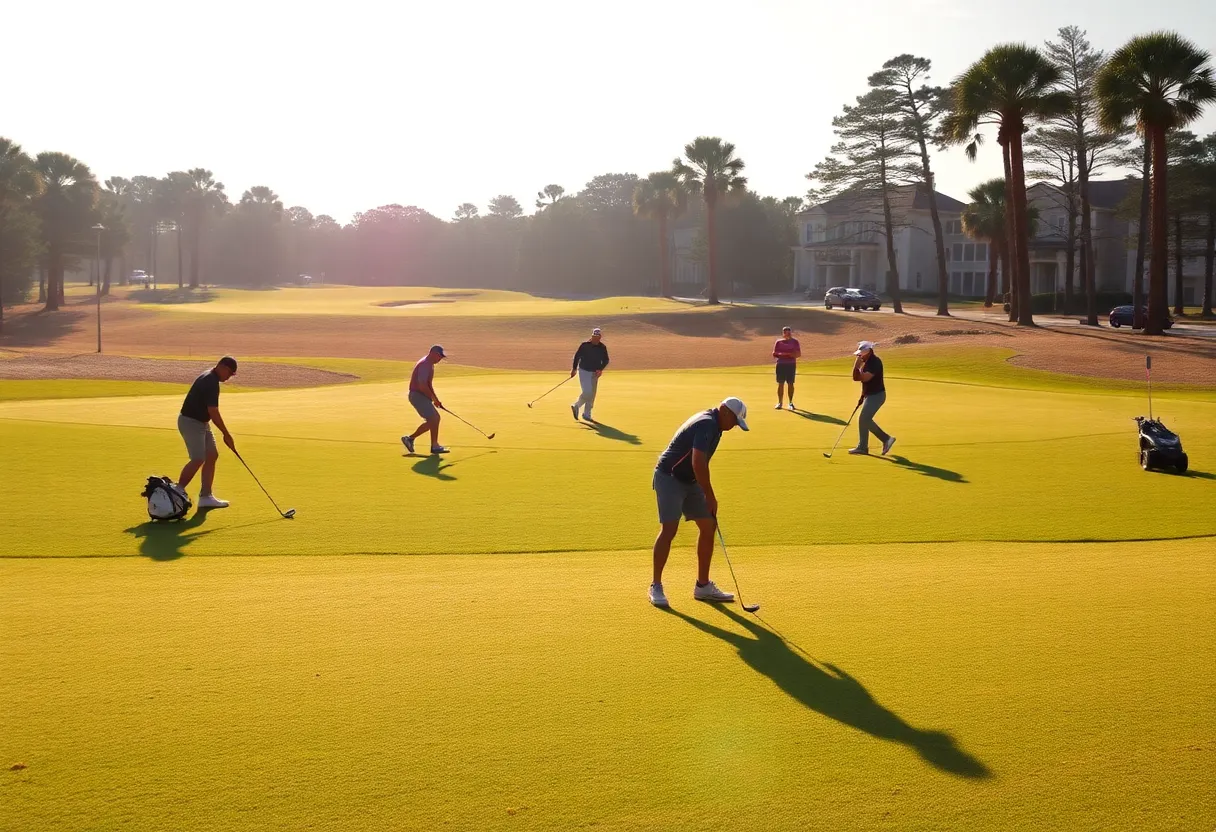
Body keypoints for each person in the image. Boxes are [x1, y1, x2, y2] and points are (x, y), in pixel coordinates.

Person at [649, 397, 749, 608]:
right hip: (669, 476)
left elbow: (698, 465)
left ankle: (702, 586)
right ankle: (656, 585)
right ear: (725, 412)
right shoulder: (707, 423)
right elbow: (698, 462)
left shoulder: (717, 426)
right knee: (669, 529)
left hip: (690, 479)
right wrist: (710, 496)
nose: (733, 427)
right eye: (734, 422)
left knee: (708, 524)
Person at [176, 356, 238, 509]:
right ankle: (177, 491)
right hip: (191, 422)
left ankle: (206, 496)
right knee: (198, 458)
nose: (229, 377)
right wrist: (226, 434)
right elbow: (213, 411)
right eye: (229, 373)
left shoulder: (211, 377)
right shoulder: (210, 381)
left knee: (211, 455)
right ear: (221, 367)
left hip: (202, 423)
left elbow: (210, 413)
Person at [401, 345, 449, 455]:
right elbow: (422, 385)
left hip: (421, 396)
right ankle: (434, 445)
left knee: (433, 420)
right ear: (432, 353)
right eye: (439, 356)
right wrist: (433, 398)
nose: (440, 359)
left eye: (441, 357)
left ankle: (410, 439)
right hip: (417, 395)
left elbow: (428, 385)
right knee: (434, 418)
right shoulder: (425, 364)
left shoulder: (429, 364)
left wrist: (435, 399)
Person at [850, 341, 895, 456]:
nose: (859, 356)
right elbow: (858, 379)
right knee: (863, 419)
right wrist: (862, 396)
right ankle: (863, 447)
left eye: (861, 354)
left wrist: (856, 366)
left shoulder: (874, 362)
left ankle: (886, 439)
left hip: (877, 395)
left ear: (868, 352)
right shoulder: (866, 362)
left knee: (864, 419)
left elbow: (864, 378)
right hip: (870, 395)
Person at [570, 327, 609, 422]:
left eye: (598, 336)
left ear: (600, 337)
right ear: (592, 336)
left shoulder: (602, 347)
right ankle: (576, 406)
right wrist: (574, 369)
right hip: (584, 371)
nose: (596, 338)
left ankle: (587, 414)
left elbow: (606, 360)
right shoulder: (584, 345)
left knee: (592, 395)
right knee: (587, 392)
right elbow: (577, 357)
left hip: (595, 373)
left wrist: (600, 369)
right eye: (594, 336)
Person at [772, 326, 801, 410]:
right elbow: (774, 353)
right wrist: (785, 354)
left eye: (788, 332)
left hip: (791, 365)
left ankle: (790, 403)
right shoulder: (778, 342)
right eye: (785, 332)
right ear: (783, 333)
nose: (786, 333)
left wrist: (789, 355)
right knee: (780, 383)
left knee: (790, 383)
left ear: (790, 332)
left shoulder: (795, 342)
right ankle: (780, 403)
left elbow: (798, 354)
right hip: (780, 364)